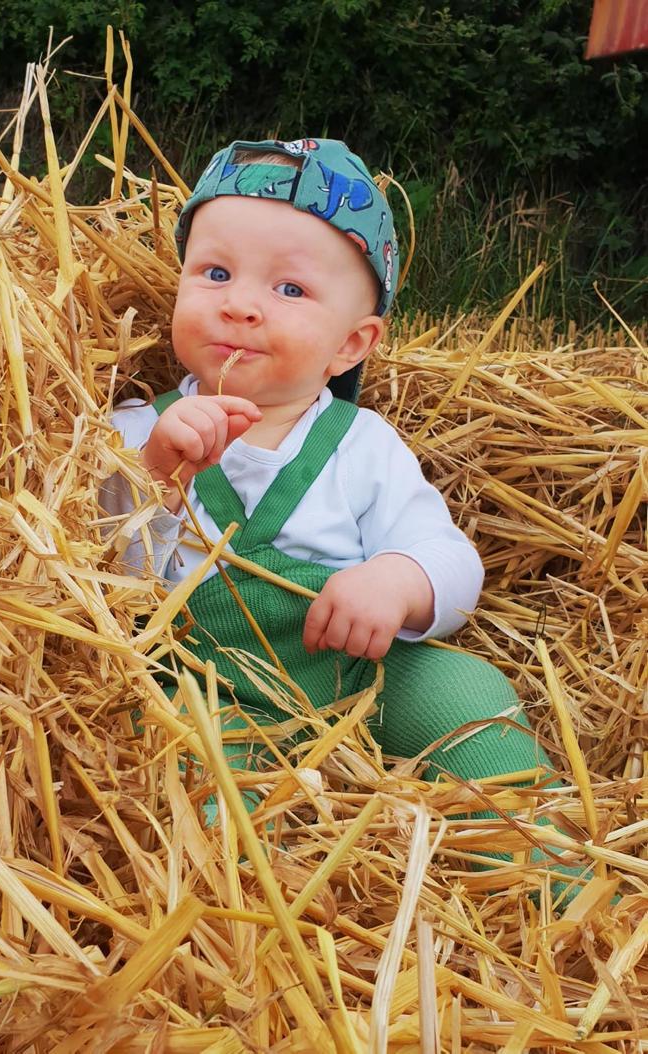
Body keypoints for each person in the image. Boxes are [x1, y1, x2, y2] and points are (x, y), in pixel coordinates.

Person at [102, 138, 582, 898]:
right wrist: (150, 476)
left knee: (468, 695)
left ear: (350, 345)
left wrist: (396, 581)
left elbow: (452, 559)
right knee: (169, 756)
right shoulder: (132, 428)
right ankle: (274, 905)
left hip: (350, 675)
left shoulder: (361, 445)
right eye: (215, 273)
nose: (240, 302)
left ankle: (550, 877)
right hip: (197, 686)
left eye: (289, 290)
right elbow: (78, 563)